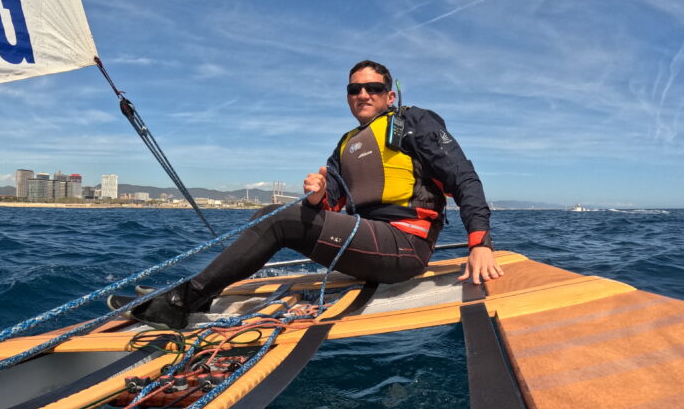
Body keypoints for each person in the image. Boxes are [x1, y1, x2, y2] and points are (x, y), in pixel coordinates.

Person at [129, 60, 503, 329]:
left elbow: (464, 178)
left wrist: (479, 243)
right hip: (365, 242)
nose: (362, 94)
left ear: (390, 95)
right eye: (354, 89)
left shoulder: (414, 123)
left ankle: (183, 301)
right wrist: (317, 197)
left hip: (404, 245)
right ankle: (207, 291)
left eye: (372, 88)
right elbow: (331, 206)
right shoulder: (345, 145)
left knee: (279, 223)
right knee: (267, 214)